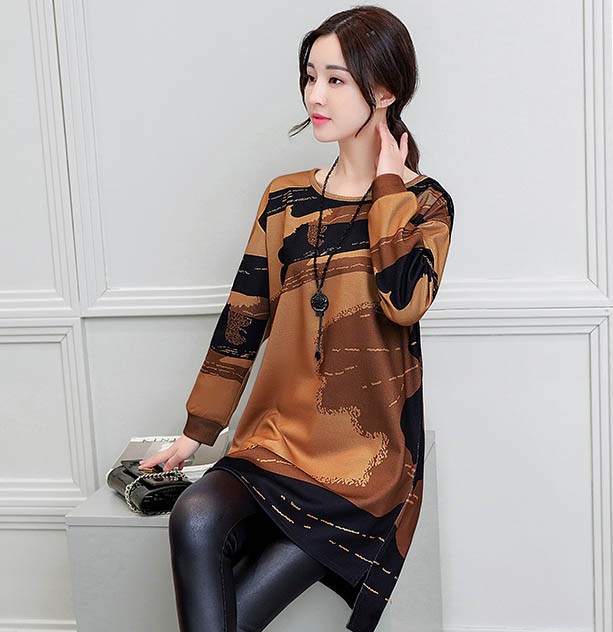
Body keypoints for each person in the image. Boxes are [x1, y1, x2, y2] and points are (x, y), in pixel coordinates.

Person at [139, 5, 455, 632]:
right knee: (194, 516)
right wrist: (198, 431)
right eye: (311, 76)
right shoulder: (284, 197)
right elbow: (244, 313)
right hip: (274, 440)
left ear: (384, 91)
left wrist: (388, 188)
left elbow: (405, 300)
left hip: (363, 462)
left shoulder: (424, 203)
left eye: (336, 79)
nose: (315, 95)